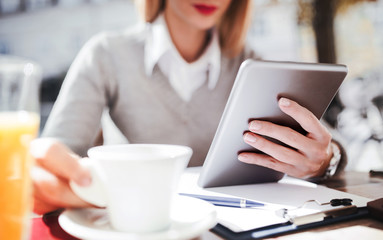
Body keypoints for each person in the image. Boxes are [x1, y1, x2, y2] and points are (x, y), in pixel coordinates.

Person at [31, 0, 345, 215]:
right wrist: (54, 172)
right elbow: (59, 151)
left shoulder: (254, 66)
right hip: (146, 222)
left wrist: (325, 161)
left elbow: (327, 144)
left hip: (239, 223)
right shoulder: (106, 55)